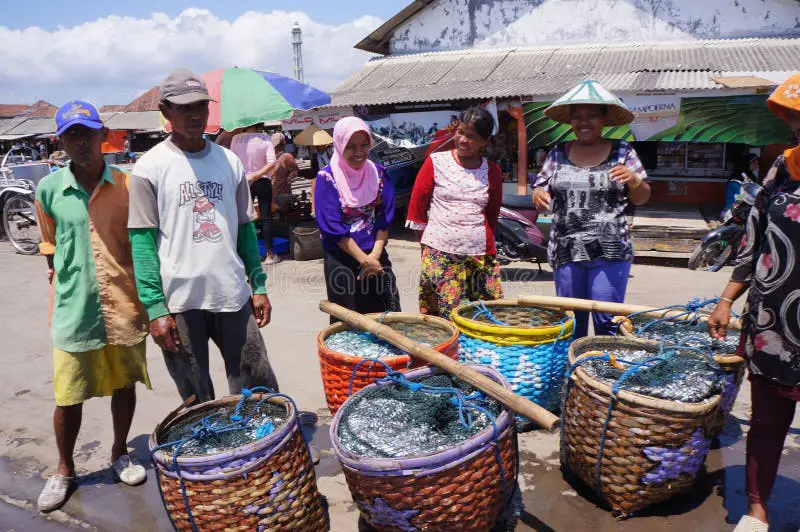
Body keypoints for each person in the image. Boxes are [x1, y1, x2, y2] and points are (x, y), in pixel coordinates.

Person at [128, 68, 279, 405]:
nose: (195, 114)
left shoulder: (230, 163)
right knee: (198, 400)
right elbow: (141, 243)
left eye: (201, 105)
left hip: (232, 294)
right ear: (166, 111)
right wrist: (154, 308)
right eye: (184, 107)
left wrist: (258, 285)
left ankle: (264, 454)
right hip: (180, 302)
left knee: (257, 388)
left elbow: (244, 229)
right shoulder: (149, 168)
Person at [34, 101, 150, 512]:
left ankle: (120, 451)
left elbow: (141, 246)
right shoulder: (48, 189)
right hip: (74, 311)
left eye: (87, 133)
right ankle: (64, 468)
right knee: (68, 396)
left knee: (124, 385)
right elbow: (51, 247)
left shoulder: (127, 186)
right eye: (71, 135)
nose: (80, 142)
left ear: (104, 136)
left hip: (123, 303)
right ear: (61, 141)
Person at [707, 73, 800, 532]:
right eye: (796, 118)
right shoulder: (783, 165)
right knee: (765, 423)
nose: (798, 127)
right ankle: (757, 509)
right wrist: (726, 300)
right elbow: (753, 236)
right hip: (771, 320)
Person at [531, 80, 651, 338]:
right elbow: (540, 188)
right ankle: (574, 376)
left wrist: (635, 180)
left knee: (608, 322)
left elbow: (642, 198)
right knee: (571, 323)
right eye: (577, 117)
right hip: (566, 252)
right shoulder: (558, 153)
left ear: (604, 118)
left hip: (610, 252)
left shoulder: (622, 152)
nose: (583, 122)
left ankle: (603, 374)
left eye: (591, 116)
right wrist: (539, 194)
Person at [406, 107, 504, 318]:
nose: (463, 140)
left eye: (472, 136)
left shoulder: (493, 171)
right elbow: (417, 208)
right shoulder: (436, 162)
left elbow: (492, 214)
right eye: (460, 132)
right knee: (446, 318)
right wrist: (428, 247)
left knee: (483, 316)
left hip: (479, 255)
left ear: (484, 142)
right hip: (439, 253)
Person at [314, 117, 400, 322]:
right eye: (351, 147)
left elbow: (384, 217)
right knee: (349, 323)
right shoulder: (327, 178)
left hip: (377, 257)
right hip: (342, 260)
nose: (358, 152)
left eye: (364, 145)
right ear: (339, 145)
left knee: (387, 318)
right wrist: (364, 260)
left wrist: (374, 257)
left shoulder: (378, 174)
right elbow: (332, 227)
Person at [230, 125, 279, 264]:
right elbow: (271, 163)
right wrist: (255, 175)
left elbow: (232, 161)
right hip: (263, 181)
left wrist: (248, 177)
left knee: (245, 218)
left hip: (243, 181)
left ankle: (247, 254)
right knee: (266, 217)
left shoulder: (236, 138)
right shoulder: (265, 138)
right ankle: (270, 255)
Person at [269, 132, 300, 198]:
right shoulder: (287, 156)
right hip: (282, 195)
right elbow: (295, 171)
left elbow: (294, 172)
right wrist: (289, 180)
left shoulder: (269, 157)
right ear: (283, 143)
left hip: (271, 194)